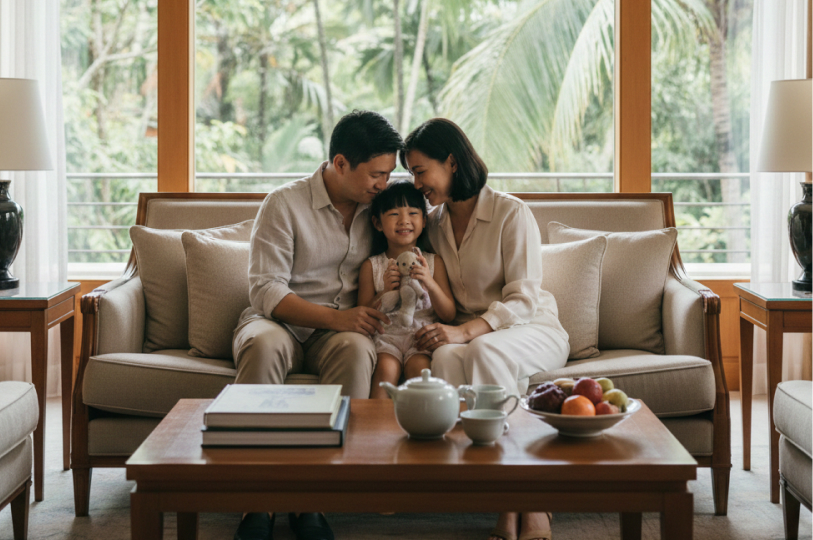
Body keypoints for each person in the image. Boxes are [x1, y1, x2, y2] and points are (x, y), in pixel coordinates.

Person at [231, 110, 403, 540]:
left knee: (358, 349)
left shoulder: (376, 210)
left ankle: (313, 502)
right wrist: (337, 317)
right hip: (278, 322)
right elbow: (266, 291)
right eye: (377, 174)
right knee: (263, 346)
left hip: (341, 332)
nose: (383, 184)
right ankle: (258, 504)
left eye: (388, 174)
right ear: (340, 163)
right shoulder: (284, 204)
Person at [401, 118, 569, 540]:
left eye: (421, 171)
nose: (416, 182)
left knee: (483, 352)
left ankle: (526, 502)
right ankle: (495, 490)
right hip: (472, 334)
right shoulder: (434, 224)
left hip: (531, 329)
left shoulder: (511, 213)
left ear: (452, 162)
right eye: (412, 174)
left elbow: (524, 298)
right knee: (443, 356)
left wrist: (465, 331)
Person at [357, 181, 456, 398]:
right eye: (393, 214)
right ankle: (376, 427)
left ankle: (422, 426)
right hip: (386, 338)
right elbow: (362, 315)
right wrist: (384, 291)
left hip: (421, 338)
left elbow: (448, 313)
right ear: (377, 223)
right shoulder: (371, 266)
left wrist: (429, 282)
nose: (404, 221)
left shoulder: (434, 262)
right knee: (385, 371)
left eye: (412, 213)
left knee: (420, 374)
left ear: (424, 220)